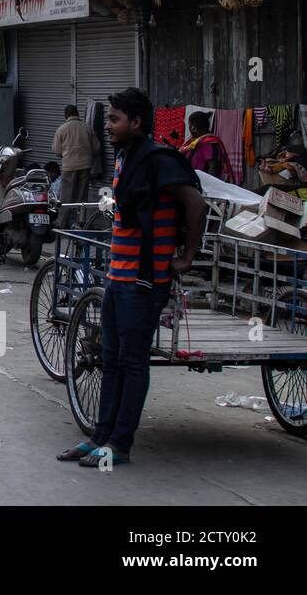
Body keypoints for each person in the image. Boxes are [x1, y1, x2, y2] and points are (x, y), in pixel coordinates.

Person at [59, 88, 204, 468]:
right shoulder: (127, 157)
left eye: (114, 120)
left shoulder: (158, 160)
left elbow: (196, 204)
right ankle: (100, 436)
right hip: (117, 276)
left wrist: (186, 257)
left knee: (132, 360)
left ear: (136, 123)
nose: (107, 127)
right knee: (110, 357)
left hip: (143, 281)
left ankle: (120, 444)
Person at [52, 104, 100, 227]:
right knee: (82, 197)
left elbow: (57, 151)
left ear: (65, 115)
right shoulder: (87, 128)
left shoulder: (62, 129)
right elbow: (96, 147)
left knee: (66, 197)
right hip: (85, 166)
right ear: (77, 113)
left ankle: (62, 223)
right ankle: (81, 223)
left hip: (69, 167)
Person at [180, 111, 233, 182]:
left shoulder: (210, 143)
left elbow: (213, 169)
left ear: (193, 127)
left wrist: (207, 187)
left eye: (189, 124)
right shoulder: (192, 142)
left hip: (204, 187)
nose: (189, 127)